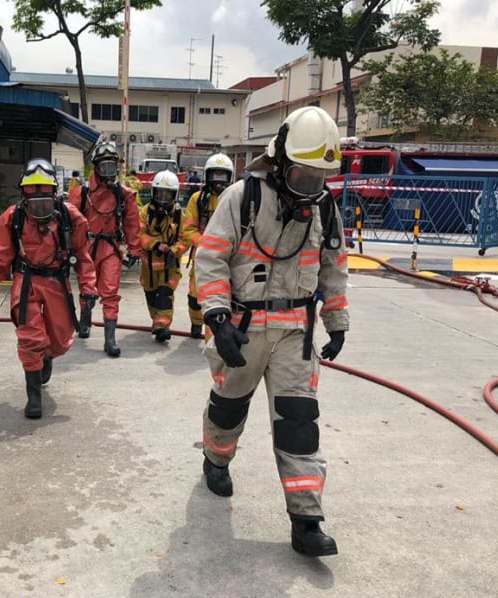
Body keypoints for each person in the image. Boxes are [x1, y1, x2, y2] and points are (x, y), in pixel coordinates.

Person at [195, 106, 350, 557]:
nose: (311, 186)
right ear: (281, 160)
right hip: (242, 330)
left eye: (320, 177)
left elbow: (333, 269)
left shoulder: (324, 206)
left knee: (299, 422)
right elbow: (210, 259)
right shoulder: (242, 197)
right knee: (228, 410)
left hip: (294, 333)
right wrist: (218, 318)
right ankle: (216, 458)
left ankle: (306, 519)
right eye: (303, 175)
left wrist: (336, 322)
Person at [0, 158, 97, 419]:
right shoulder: (13, 218)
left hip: (57, 281)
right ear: (24, 197)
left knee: (60, 338)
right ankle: (34, 396)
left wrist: (88, 290)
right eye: (35, 204)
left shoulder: (71, 218)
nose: (40, 209)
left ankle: (48, 356)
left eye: (45, 202)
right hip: (27, 281)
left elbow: (83, 257)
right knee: (30, 337)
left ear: (55, 195)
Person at [68, 142, 141, 357]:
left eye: (112, 166)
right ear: (96, 168)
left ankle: (110, 339)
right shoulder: (81, 193)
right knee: (87, 289)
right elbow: (68, 223)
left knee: (110, 292)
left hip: (110, 248)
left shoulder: (123, 194)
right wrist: (68, 250)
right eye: (104, 167)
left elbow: (132, 222)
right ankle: (85, 319)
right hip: (86, 248)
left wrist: (134, 249)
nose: (108, 172)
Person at [180, 152, 234, 339]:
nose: (218, 181)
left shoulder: (235, 198)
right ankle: (196, 323)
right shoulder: (197, 199)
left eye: (223, 175)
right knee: (196, 296)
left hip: (228, 257)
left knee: (221, 296)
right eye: (214, 175)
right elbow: (188, 229)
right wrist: (207, 245)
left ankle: (214, 335)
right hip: (202, 256)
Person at [138, 170, 192, 342]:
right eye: (160, 193)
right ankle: (157, 321)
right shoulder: (144, 213)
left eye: (168, 194)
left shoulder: (179, 215)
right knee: (151, 296)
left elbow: (186, 237)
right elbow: (138, 233)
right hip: (148, 268)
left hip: (169, 267)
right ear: (154, 192)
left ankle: (163, 326)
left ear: (174, 195)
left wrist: (174, 250)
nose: (163, 198)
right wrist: (155, 244)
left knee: (164, 295)